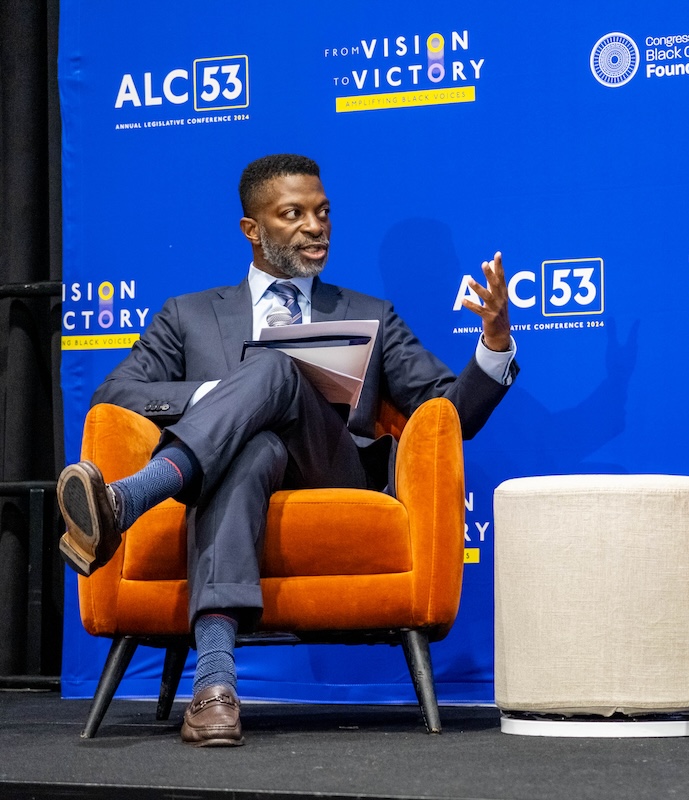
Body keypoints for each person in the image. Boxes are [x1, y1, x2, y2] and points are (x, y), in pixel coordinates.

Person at [56, 153, 517, 747]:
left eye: (322, 212)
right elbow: (116, 394)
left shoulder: (369, 314)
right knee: (250, 452)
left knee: (273, 370)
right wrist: (219, 394)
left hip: (330, 469)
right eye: (293, 214)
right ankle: (216, 691)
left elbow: (450, 415)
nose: (315, 226)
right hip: (237, 472)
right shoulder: (189, 315)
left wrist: (495, 343)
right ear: (252, 229)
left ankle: (129, 500)